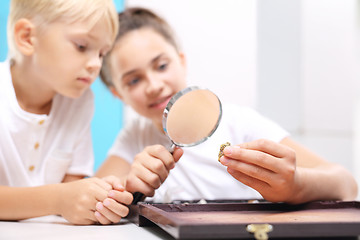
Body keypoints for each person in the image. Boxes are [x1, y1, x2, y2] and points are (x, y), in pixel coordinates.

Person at [96, 7, 358, 204]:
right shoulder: (135, 136)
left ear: (182, 61)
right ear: (118, 94)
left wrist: (296, 184)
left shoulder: (238, 123)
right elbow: (97, 193)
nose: (154, 85)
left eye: (161, 66)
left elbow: (346, 184)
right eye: (134, 80)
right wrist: (129, 187)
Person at [0, 0, 133, 225]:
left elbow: (73, 192)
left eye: (102, 54)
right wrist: (59, 199)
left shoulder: (80, 102)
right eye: (81, 46)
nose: (95, 65)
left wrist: (98, 197)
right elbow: (64, 197)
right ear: (26, 37)